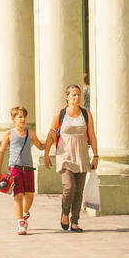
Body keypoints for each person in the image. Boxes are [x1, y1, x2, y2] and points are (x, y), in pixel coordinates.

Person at [44, 83, 99, 232]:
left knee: (79, 190)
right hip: (64, 155)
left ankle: (75, 221)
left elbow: (92, 135)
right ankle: (64, 212)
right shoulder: (60, 114)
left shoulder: (86, 113)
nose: (77, 97)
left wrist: (95, 155)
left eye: (78, 95)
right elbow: (51, 135)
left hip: (81, 155)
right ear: (66, 97)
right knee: (69, 187)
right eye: (73, 95)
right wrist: (46, 154)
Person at [0, 105, 44, 235]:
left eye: (24, 117)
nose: (22, 119)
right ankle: (20, 222)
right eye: (19, 117)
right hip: (14, 168)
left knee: (30, 195)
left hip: (28, 168)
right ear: (13, 119)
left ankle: (24, 213)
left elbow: (40, 146)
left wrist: (51, 139)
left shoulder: (31, 133)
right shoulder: (9, 134)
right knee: (18, 195)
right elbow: (1, 151)